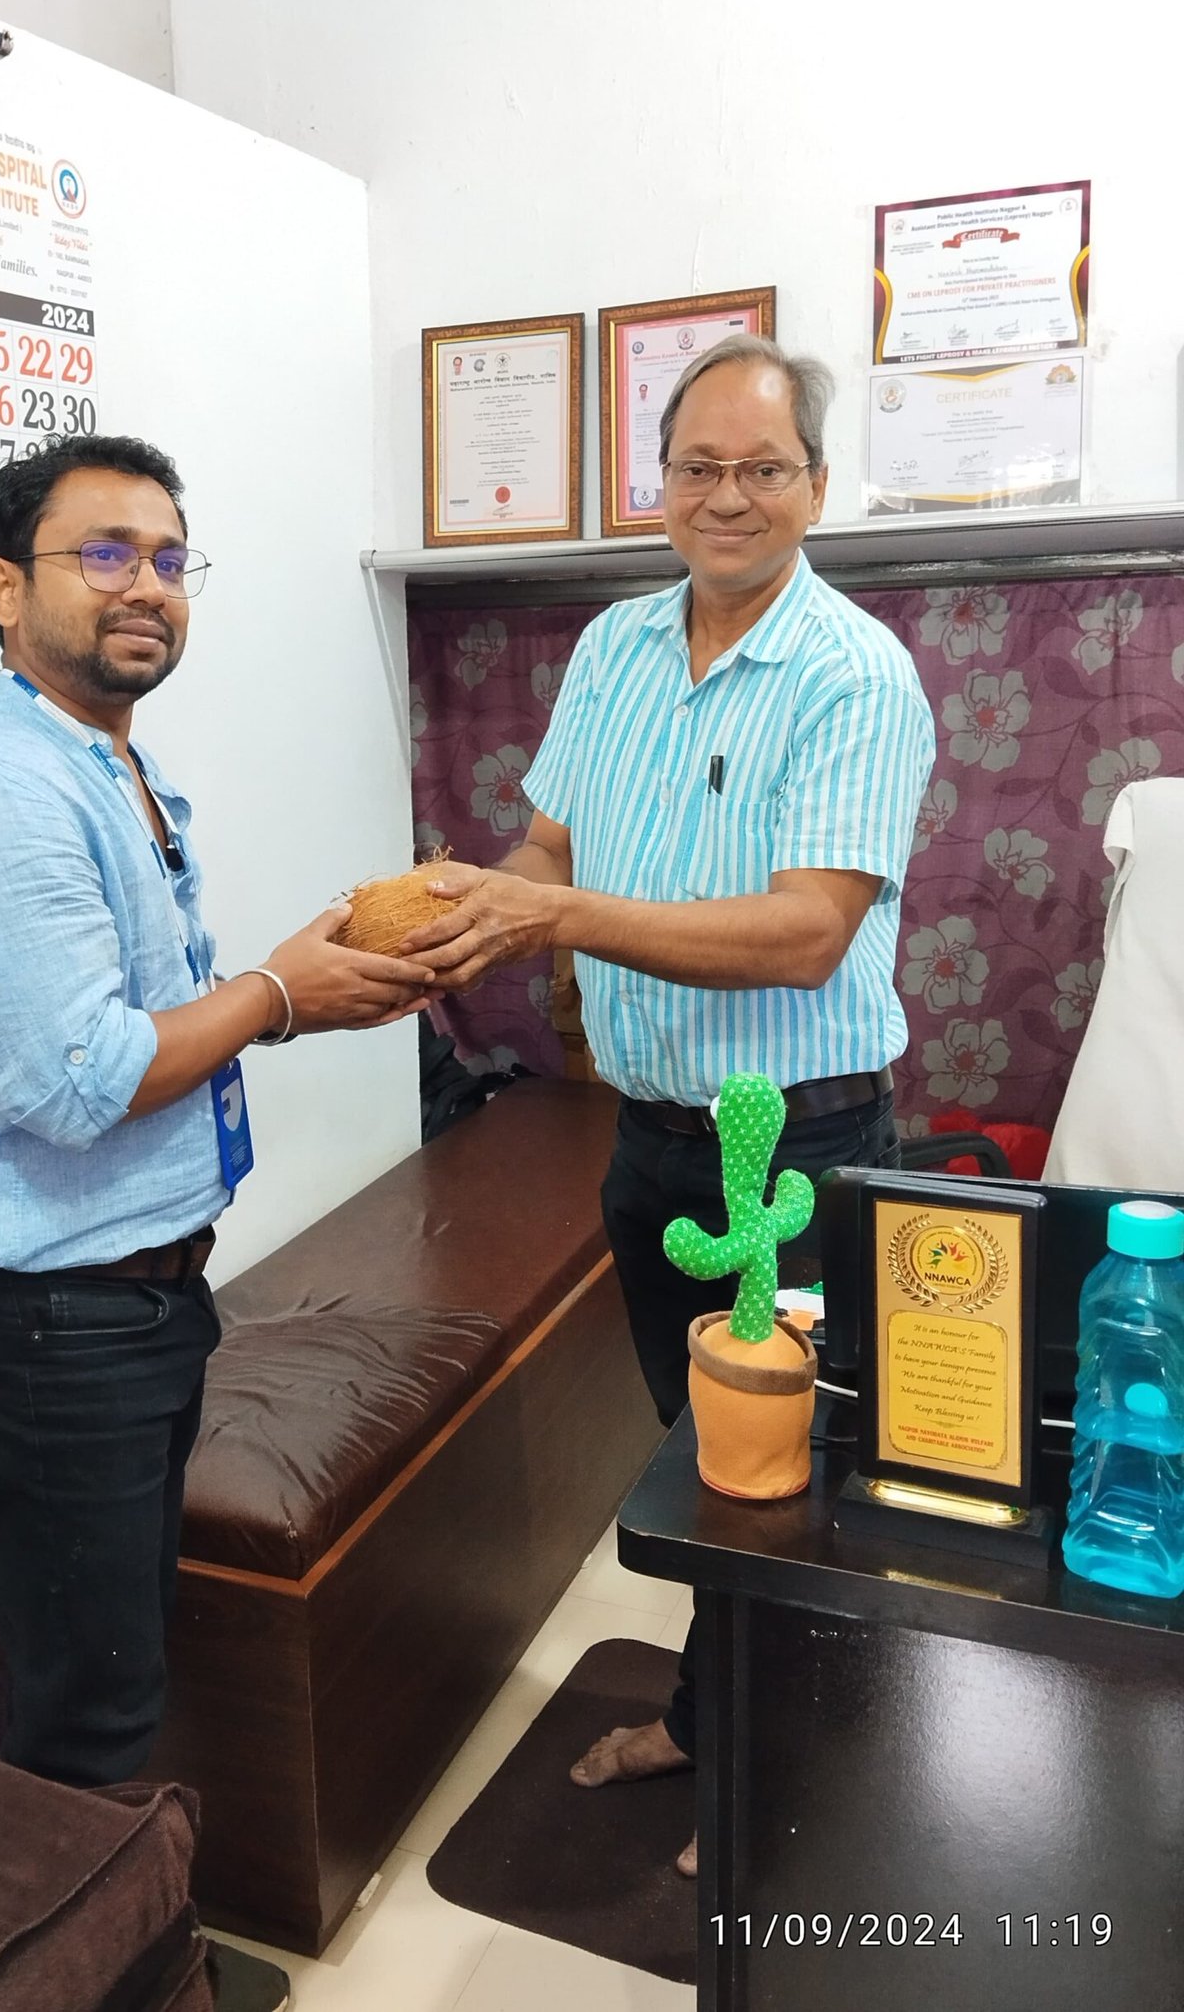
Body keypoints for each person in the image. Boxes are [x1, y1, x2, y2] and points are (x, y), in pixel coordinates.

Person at [403, 337, 934, 1877]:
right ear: (661, 485)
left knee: (798, 1487)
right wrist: (465, 909)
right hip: (647, 1143)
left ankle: (794, 1776)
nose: (727, 495)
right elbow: (549, 853)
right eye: (699, 466)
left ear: (816, 486)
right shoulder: (614, 647)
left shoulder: (856, 673)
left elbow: (807, 931)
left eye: (763, 467)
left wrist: (554, 920)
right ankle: (716, 1720)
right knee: (707, 1472)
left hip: (801, 1151)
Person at [0, 433, 432, 1798]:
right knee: (87, 1720)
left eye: (170, 559)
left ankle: (102, 1896)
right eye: (105, 554)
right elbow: (79, 1080)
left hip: (132, 1296)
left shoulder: (103, 760)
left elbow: (143, 1013)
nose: (146, 585)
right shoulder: (3, 792)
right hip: (45, 1322)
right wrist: (278, 995)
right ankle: (80, 1918)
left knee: (104, 1667)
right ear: (3, 587)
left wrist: (295, 981)